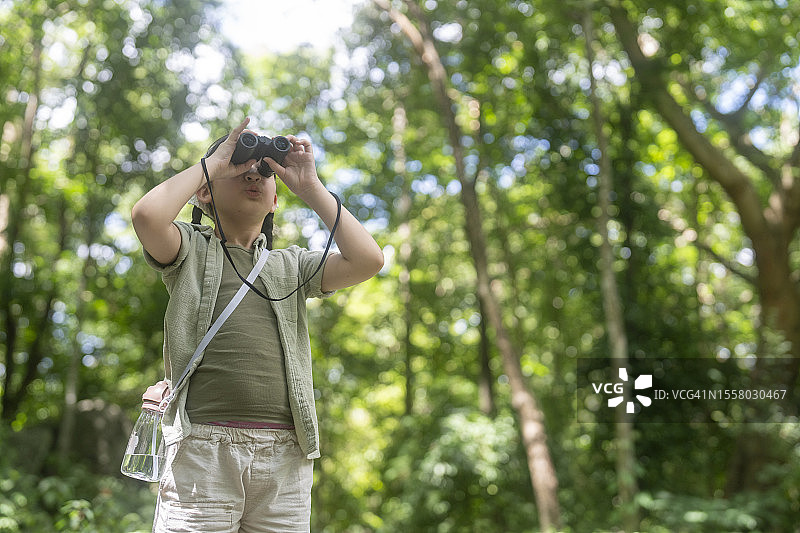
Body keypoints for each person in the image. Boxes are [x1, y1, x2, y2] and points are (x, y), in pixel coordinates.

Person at [131, 117, 384, 532]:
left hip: (284, 455)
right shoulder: (189, 250)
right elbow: (146, 216)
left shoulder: (292, 265)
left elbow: (368, 260)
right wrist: (215, 163)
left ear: (274, 202)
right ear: (205, 193)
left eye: (263, 171)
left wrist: (310, 188)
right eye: (240, 168)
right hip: (202, 449)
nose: (253, 173)